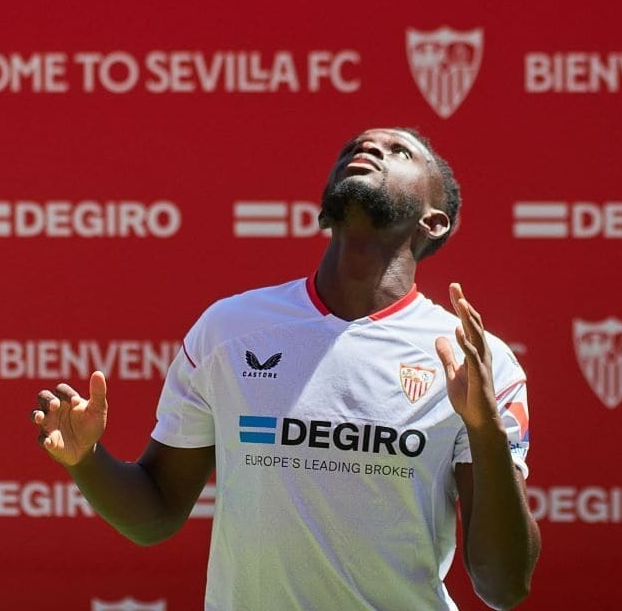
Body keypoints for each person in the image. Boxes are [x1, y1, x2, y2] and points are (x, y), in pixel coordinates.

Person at [32, 127, 540, 610]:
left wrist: (485, 430)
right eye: (357, 145)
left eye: (400, 151)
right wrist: (87, 460)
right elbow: (156, 513)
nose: (368, 148)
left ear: (434, 220)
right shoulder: (230, 330)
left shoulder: (474, 361)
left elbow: (503, 584)